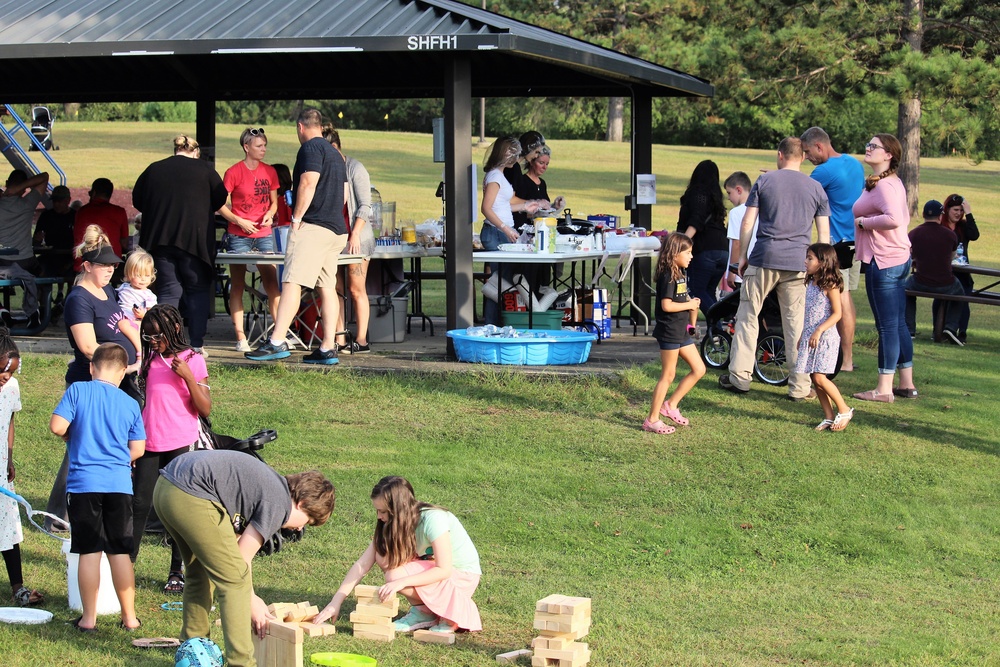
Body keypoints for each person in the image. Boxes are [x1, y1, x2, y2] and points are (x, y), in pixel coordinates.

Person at [152, 450, 335, 667]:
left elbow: (235, 546)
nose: (300, 528)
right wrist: (253, 602)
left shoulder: (269, 485)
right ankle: (242, 662)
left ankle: (193, 647)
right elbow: (241, 560)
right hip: (192, 494)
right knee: (234, 582)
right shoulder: (279, 504)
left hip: (166, 487)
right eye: (308, 520)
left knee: (199, 571)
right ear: (302, 503)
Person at [43, 227, 140, 530]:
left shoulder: (107, 290)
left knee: (106, 441)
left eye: (113, 265)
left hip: (119, 376)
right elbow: (87, 347)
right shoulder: (78, 299)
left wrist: (138, 349)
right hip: (91, 380)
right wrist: (124, 364)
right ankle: (60, 514)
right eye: (104, 265)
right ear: (86, 266)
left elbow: (122, 322)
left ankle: (98, 502)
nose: (111, 270)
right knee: (81, 446)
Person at [719, 137, 830, 400]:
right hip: (798, 263)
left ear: (780, 155)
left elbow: (748, 222)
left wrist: (743, 255)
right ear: (802, 157)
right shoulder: (816, 188)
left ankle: (740, 378)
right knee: (796, 325)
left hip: (765, 257)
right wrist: (820, 267)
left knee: (747, 317)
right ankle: (800, 387)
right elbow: (824, 234)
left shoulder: (765, 182)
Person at [49, 342, 145, 632]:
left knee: (88, 550)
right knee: (119, 551)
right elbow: (138, 449)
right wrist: (117, 461)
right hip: (118, 484)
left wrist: (72, 438)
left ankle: (88, 619)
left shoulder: (78, 390)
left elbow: (56, 426)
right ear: (121, 374)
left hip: (83, 485)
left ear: (92, 368)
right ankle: (130, 618)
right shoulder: (129, 403)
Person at [313, 476, 481, 635]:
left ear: (398, 509)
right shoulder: (393, 523)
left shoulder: (433, 519)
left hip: (460, 575)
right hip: (432, 570)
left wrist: (402, 582)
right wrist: (336, 601)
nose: (379, 516)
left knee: (395, 576)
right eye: (377, 511)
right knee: (383, 555)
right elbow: (362, 564)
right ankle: (424, 612)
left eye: (383, 512)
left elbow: (444, 570)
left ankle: (448, 614)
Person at [246, 109, 349, 365]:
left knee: (292, 281)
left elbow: (307, 183)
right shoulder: (336, 154)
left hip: (313, 227)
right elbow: (345, 194)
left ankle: (277, 340)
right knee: (327, 287)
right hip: (336, 229)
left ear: (300, 127)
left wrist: (297, 219)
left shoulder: (311, 149)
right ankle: (328, 347)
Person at [131, 304, 210, 595]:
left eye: (158, 336)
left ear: (175, 328)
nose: (154, 341)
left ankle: (176, 571)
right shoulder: (150, 359)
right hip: (150, 440)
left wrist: (188, 377)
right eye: (149, 337)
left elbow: (205, 408)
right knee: (139, 504)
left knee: (177, 508)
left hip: (179, 442)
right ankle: (128, 562)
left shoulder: (193, 359)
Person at [133, 135, 229, 351]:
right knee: (197, 291)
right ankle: (196, 344)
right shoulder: (205, 170)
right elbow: (220, 199)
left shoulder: (153, 169)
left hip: (160, 240)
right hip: (195, 242)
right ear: (195, 152)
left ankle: (165, 342)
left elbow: (137, 200)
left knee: (168, 292)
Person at [852, 134, 914, 404]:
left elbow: (894, 219)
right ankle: (906, 384)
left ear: (888, 154)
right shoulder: (888, 182)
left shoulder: (886, 186)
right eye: (868, 144)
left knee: (887, 326)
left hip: (885, 261)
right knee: (898, 323)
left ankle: (883, 389)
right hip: (897, 258)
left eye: (874, 146)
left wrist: (865, 222)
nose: (868, 148)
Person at [801, 127, 866, 373]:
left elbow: (800, 190)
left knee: (842, 298)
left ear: (819, 146)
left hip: (836, 246)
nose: (807, 157)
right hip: (856, 241)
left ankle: (845, 361)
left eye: (808, 152)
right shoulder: (854, 163)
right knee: (845, 296)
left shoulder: (824, 171)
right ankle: (846, 357)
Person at [218, 128, 281, 353]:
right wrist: (239, 221)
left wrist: (270, 214)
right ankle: (241, 337)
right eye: (259, 146)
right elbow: (218, 203)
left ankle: (278, 335)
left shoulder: (270, 172)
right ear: (247, 147)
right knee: (237, 284)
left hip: (263, 235)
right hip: (238, 235)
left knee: (272, 284)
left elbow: (274, 202)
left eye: (264, 145)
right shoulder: (233, 172)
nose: (263, 149)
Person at [643, 233, 705, 435]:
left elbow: (683, 300)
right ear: (674, 253)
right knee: (668, 375)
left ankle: (670, 405)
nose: (691, 256)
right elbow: (667, 305)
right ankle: (652, 419)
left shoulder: (679, 273)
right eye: (688, 252)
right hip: (669, 331)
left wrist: (691, 319)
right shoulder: (668, 276)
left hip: (681, 331)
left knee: (699, 369)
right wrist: (690, 304)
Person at [0, 331, 44, 607]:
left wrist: (9, 458)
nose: (6, 377)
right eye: (2, 372)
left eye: (11, 372)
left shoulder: (12, 388)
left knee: (7, 525)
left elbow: (10, 423)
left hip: (0, 466)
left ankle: (18, 587)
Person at [479, 136, 542, 326]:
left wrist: (526, 206)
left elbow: (504, 205)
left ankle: (499, 323)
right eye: (513, 154)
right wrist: (505, 228)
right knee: (499, 283)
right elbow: (486, 208)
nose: (516, 159)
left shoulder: (500, 175)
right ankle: (493, 324)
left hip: (502, 231)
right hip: (495, 233)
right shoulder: (495, 177)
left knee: (503, 282)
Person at [324, 126, 375, 354]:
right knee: (335, 289)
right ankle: (340, 338)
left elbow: (365, 206)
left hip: (357, 237)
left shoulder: (355, 168)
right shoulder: (327, 170)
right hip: (334, 237)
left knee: (356, 289)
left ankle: (362, 340)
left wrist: (354, 233)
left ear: (335, 147)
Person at [797, 244, 852, 431]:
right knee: (814, 377)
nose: (806, 261)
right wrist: (803, 335)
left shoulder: (831, 285)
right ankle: (828, 416)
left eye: (810, 258)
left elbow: (837, 313)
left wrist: (819, 330)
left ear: (822, 262)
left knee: (820, 378)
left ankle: (844, 409)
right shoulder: (812, 284)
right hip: (811, 337)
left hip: (825, 338)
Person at [904, 200, 966, 349]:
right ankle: (950, 327)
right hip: (945, 283)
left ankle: (909, 329)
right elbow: (951, 257)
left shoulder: (914, 233)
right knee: (961, 293)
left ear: (924, 215)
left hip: (920, 281)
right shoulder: (950, 235)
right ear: (940, 216)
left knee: (905, 291)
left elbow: (910, 256)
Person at [676, 160, 729, 317]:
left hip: (705, 249)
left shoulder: (697, 193)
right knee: (708, 292)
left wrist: (680, 245)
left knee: (696, 290)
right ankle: (717, 334)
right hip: (723, 250)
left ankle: (718, 326)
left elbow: (695, 221)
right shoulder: (715, 199)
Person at [940, 193, 980, 343]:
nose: (958, 213)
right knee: (940, 300)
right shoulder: (941, 226)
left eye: (961, 211)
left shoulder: (963, 227)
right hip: (944, 272)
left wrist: (969, 213)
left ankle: (961, 333)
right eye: (955, 210)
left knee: (963, 297)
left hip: (962, 273)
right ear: (947, 209)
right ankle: (939, 330)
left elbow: (974, 235)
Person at [72, 178, 130, 273]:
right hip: (112, 264)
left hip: (82, 264)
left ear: (94, 192)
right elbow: (124, 242)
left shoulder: (82, 211)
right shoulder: (119, 212)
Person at [0, 169, 48, 275]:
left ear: (7, 183)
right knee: (41, 277)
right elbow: (44, 177)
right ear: (23, 189)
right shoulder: (28, 203)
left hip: (2, 260)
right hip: (25, 260)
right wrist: (20, 186)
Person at [511, 146, 565, 233]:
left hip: (540, 228)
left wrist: (554, 206)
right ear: (532, 162)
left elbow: (544, 208)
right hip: (524, 230)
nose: (544, 167)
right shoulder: (522, 181)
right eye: (541, 163)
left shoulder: (542, 183)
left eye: (547, 164)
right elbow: (516, 209)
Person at [115, 248, 157, 355]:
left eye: (147, 276)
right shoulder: (124, 288)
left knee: (125, 325)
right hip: (120, 320)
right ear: (128, 275)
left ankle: (140, 353)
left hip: (138, 323)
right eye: (139, 275)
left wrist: (143, 315)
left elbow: (153, 315)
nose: (143, 279)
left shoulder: (148, 295)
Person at [33, 184, 75, 282]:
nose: (56, 204)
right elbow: (35, 242)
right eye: (54, 201)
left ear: (68, 200)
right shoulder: (46, 216)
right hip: (50, 257)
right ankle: (44, 295)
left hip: (70, 258)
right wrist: (37, 239)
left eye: (60, 201)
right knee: (36, 270)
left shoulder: (75, 217)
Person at [723, 172, 756, 290]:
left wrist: (732, 271)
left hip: (739, 272)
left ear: (739, 190)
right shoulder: (759, 209)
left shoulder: (736, 212)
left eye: (729, 193)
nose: (728, 197)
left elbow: (737, 243)